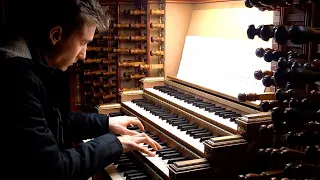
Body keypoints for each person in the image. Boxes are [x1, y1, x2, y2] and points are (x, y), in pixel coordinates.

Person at [0, 0, 161, 179]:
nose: (84, 55)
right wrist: (114, 144)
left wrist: (106, 123)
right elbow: (55, 169)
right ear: (55, 35)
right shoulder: (18, 79)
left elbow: (54, 123)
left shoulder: (29, 59)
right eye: (83, 42)